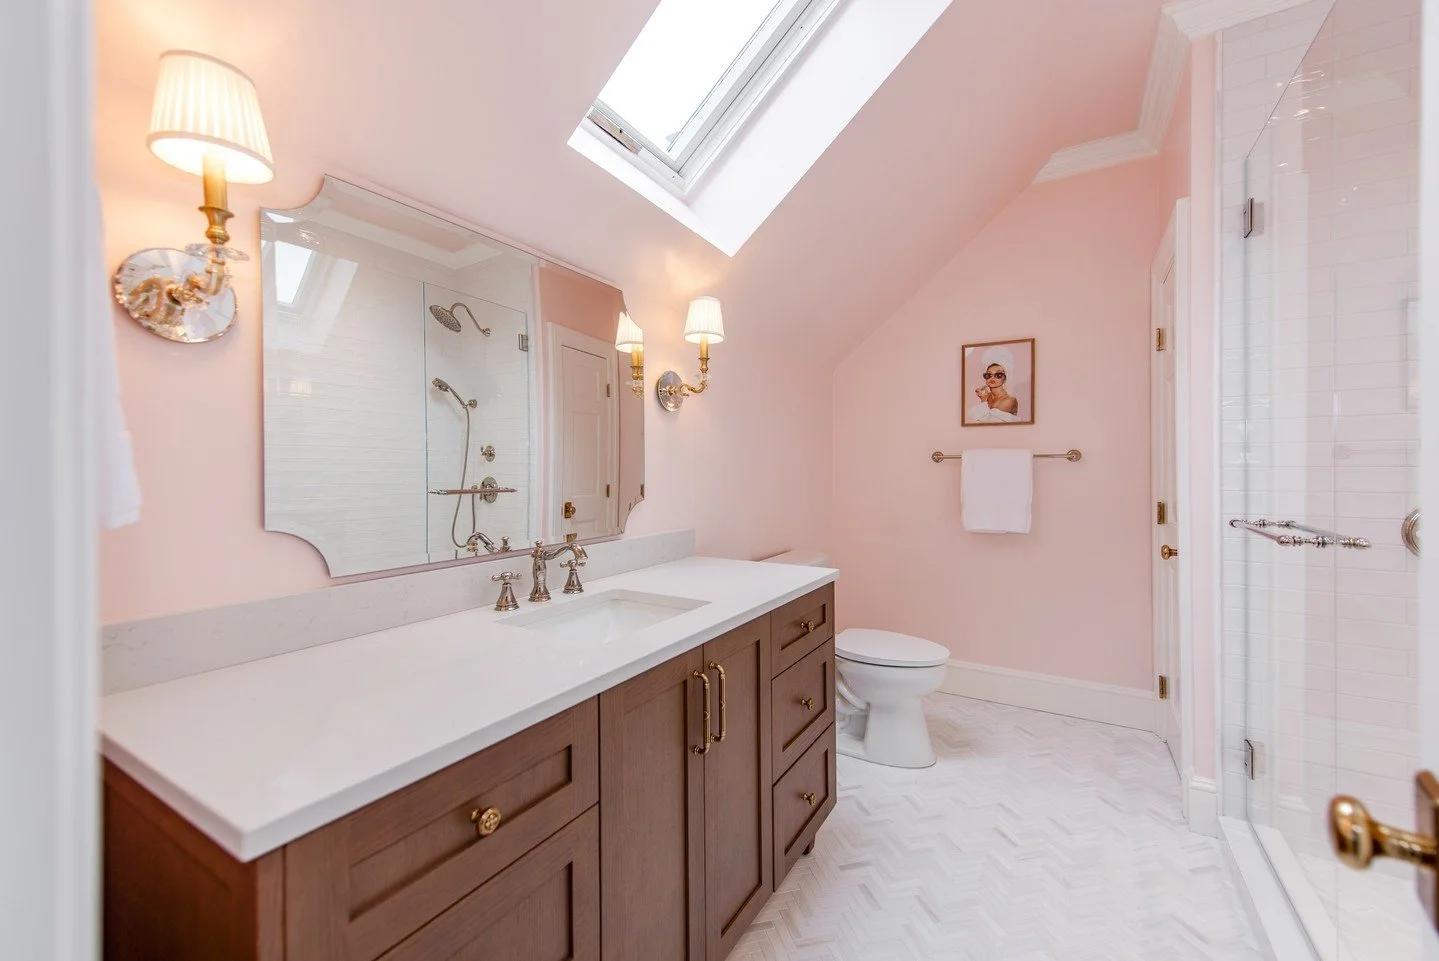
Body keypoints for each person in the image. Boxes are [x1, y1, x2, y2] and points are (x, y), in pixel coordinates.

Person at [967, 346, 1021, 423]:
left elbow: (990, 422)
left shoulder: (1010, 400)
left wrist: (983, 400)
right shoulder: (985, 396)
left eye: (998, 375)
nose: (992, 378)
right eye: (988, 375)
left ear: (1005, 378)